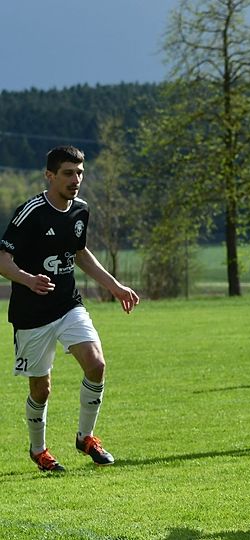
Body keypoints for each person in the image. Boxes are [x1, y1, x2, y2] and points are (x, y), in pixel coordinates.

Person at [0, 145, 140, 472]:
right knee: (41, 389)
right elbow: (3, 259)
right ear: (50, 176)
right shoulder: (31, 212)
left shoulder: (80, 210)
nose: (75, 179)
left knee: (96, 364)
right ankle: (39, 451)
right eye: (68, 173)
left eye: (79, 173)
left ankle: (86, 438)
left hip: (68, 305)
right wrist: (27, 279)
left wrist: (114, 286)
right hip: (32, 315)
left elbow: (80, 253)